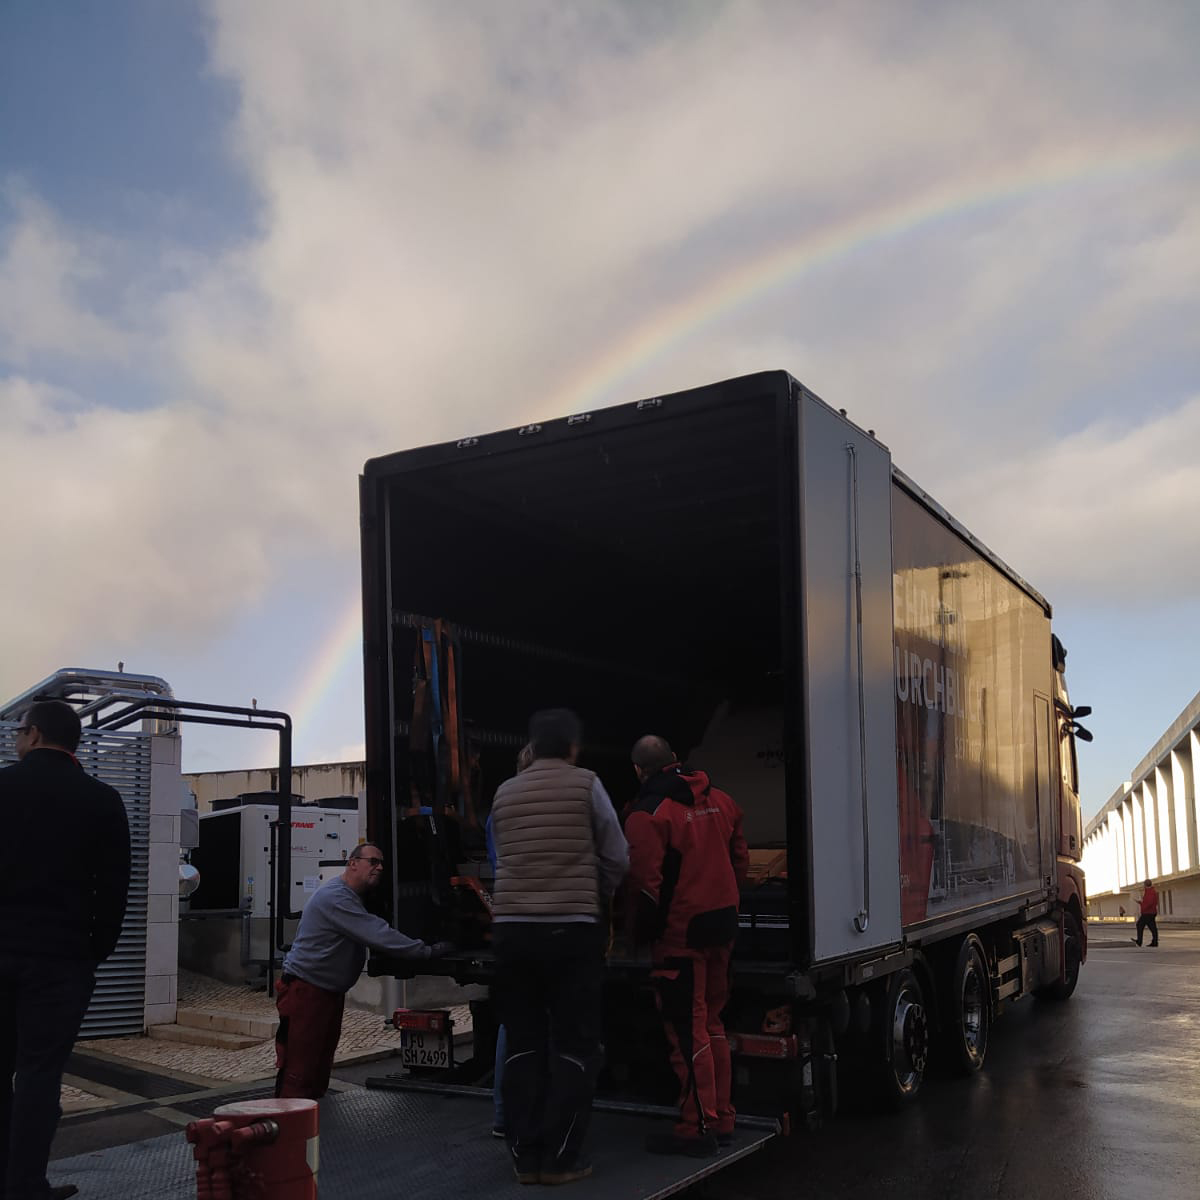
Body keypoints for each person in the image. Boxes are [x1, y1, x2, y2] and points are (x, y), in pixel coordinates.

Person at [490, 709, 628, 1185]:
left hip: (511, 932)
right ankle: (561, 1160)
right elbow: (616, 856)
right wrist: (596, 896)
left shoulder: (504, 792)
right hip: (571, 932)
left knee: (523, 1046)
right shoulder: (586, 784)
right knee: (573, 1047)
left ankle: (525, 1158)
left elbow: (504, 855)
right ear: (572, 747)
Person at [0, 700, 131, 1200]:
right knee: (38, 1073)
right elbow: (115, 886)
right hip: (60, 960)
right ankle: (26, 1186)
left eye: (18, 732)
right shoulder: (101, 799)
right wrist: (93, 950)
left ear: (33, 735)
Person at [625, 734, 748, 1158]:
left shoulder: (648, 815)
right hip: (722, 927)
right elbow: (740, 862)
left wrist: (638, 937)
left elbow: (644, 887)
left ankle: (697, 1127)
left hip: (681, 937)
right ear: (676, 760)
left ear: (639, 771)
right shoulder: (723, 800)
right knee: (713, 1022)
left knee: (686, 1031)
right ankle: (723, 1117)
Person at [274, 842, 454, 1099]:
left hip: (325, 992)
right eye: (373, 861)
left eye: (382, 863)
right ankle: (288, 1128)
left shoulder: (350, 897)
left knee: (318, 1065)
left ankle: (314, 1128)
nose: (379, 867)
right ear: (353, 863)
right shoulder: (335, 897)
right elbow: (377, 933)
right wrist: (427, 951)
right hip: (306, 992)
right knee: (299, 1070)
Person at [487, 741, 535, 1140]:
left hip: (509, 922)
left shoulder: (500, 806)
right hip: (545, 922)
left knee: (513, 1021)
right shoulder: (550, 804)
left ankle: (504, 1115)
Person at [1132, 879, 1159, 948]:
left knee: (1139, 925)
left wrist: (1142, 906)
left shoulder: (1150, 892)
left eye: (1144, 884)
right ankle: (1154, 942)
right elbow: (1148, 902)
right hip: (1151, 912)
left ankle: (1139, 941)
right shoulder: (1151, 891)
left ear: (1145, 885)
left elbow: (1149, 903)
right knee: (1152, 927)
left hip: (1148, 913)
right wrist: (1141, 903)